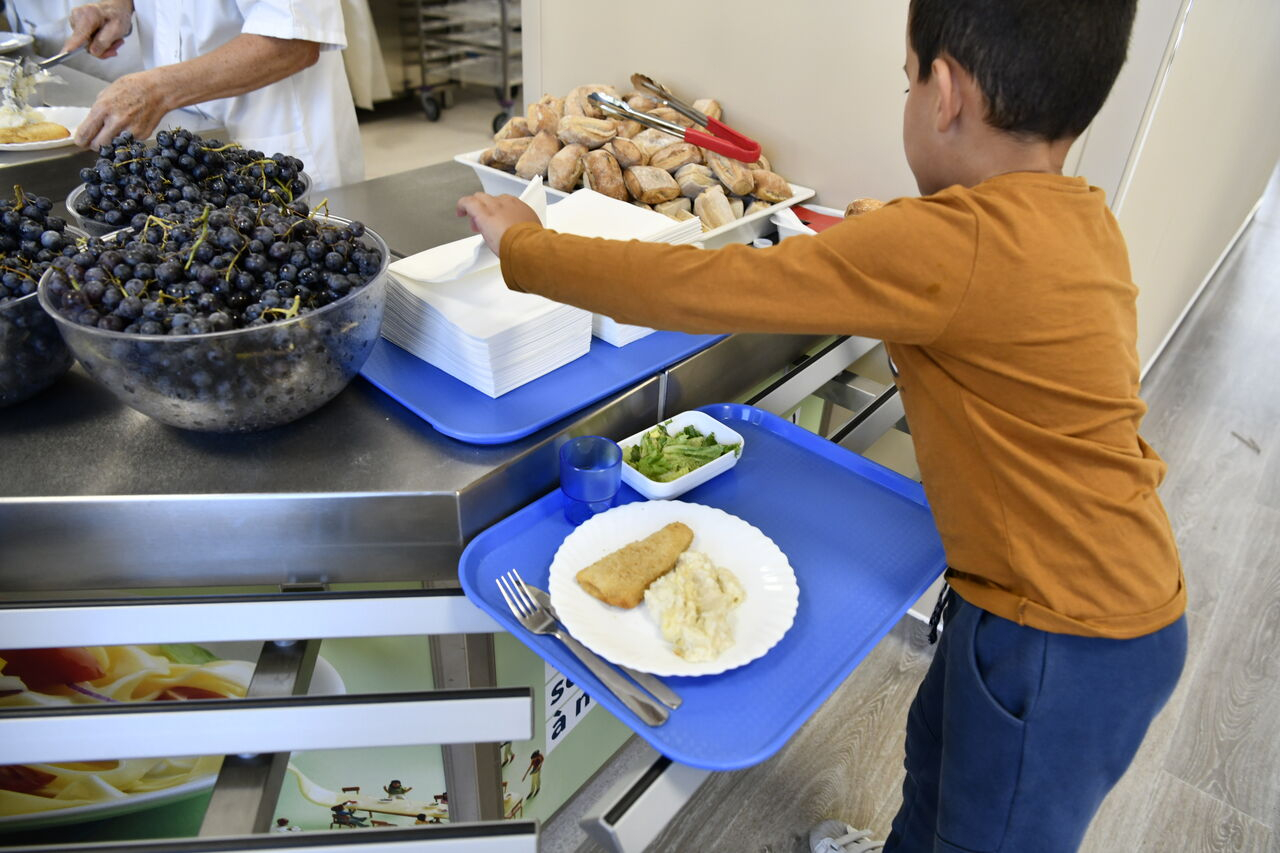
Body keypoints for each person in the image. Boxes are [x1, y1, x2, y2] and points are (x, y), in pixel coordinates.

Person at [456, 1, 1188, 849]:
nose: (911, 95)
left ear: (944, 93)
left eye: (908, 78)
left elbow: (708, 287)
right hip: (1090, 601)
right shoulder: (1079, 216)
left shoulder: (945, 247)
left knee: (985, 826)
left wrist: (529, 244)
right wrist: (880, 235)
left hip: (1058, 638)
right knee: (940, 757)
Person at [59, 0, 363, 189]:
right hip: (191, 149)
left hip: (278, 144)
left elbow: (294, 43)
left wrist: (157, 90)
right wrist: (119, 5)